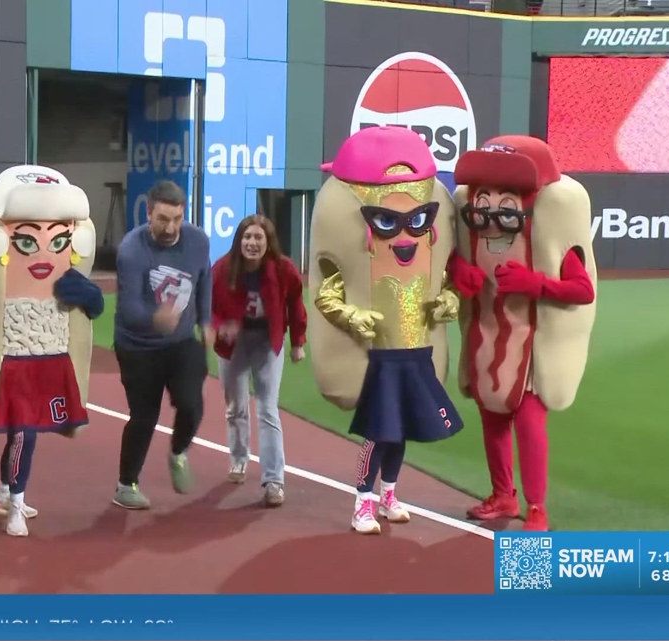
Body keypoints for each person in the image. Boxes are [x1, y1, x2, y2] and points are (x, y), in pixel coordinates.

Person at [306, 126, 464, 535]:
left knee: (402, 430)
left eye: (418, 220)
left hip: (418, 351)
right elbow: (327, 294)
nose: (406, 234)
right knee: (379, 432)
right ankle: (363, 502)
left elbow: (446, 284)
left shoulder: (431, 249)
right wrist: (352, 317)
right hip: (381, 356)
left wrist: (449, 302)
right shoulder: (353, 245)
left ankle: (390, 495)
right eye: (387, 221)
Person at [0, 165, 103, 537]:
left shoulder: (68, 276)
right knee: (23, 434)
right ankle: (15, 502)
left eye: (58, 241)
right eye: (28, 241)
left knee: (27, 434)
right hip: (8, 363)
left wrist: (90, 297)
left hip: (50, 359)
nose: (44, 253)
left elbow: (94, 308)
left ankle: (4, 491)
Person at [448, 135, 598, 532]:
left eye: (507, 202)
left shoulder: (549, 237)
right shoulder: (471, 233)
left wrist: (537, 283)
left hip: (533, 346)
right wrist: (456, 272)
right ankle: (503, 496)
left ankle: (537, 507)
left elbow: (583, 290)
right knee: (492, 418)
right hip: (487, 336)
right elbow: (453, 264)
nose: (494, 212)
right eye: (485, 201)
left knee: (529, 425)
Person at [112, 179, 212, 510]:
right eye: (163, 219)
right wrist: (156, 318)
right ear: (149, 212)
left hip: (181, 341)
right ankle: (126, 485)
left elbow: (204, 280)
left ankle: (178, 451)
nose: (170, 228)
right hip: (137, 345)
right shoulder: (132, 248)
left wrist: (206, 321)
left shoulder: (197, 241)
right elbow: (129, 308)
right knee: (144, 415)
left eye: (177, 219)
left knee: (191, 404)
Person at [210, 214, 307, 507]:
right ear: (239, 241)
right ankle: (239, 459)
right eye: (247, 238)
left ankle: (274, 480)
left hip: (267, 341)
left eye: (258, 238)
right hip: (233, 344)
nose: (252, 243)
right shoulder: (223, 269)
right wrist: (219, 326)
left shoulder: (284, 270)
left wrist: (298, 342)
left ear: (268, 242)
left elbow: (296, 305)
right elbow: (207, 305)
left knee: (267, 409)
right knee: (235, 407)